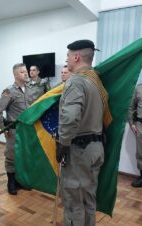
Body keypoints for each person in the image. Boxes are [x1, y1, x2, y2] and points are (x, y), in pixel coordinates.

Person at [56, 40, 108, 226]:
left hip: (79, 151)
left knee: (74, 202)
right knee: (88, 199)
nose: (67, 59)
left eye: (68, 55)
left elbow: (70, 118)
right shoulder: (96, 80)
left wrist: (62, 143)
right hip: (96, 148)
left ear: (76, 56)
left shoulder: (76, 81)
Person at [0, 63, 31, 195]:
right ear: (15, 75)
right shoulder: (9, 91)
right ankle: (11, 182)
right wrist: (3, 128)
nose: (26, 73)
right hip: (14, 130)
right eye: (22, 72)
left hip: (27, 130)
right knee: (11, 156)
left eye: (26, 71)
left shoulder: (30, 89)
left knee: (23, 156)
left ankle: (19, 180)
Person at [128, 83, 142, 187]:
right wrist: (132, 123)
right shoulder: (139, 88)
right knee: (140, 152)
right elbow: (131, 107)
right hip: (140, 125)